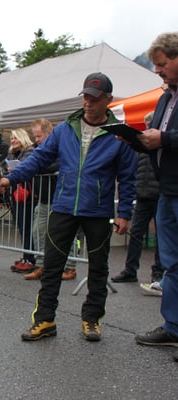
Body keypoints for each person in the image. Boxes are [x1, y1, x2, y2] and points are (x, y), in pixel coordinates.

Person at [0, 72, 137, 342]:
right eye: (85, 97)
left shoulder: (119, 134)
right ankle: (45, 320)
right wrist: (11, 178)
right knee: (51, 267)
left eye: (94, 98)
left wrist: (124, 213)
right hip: (63, 207)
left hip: (98, 211)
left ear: (107, 99)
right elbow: (38, 158)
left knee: (98, 268)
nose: (88, 102)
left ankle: (91, 320)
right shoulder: (64, 129)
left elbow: (128, 177)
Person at [134, 32, 178, 362]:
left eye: (162, 64)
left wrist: (163, 138)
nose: (157, 71)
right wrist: (135, 140)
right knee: (171, 263)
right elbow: (158, 136)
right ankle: (173, 327)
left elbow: (166, 137)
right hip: (167, 191)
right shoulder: (164, 98)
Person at [112, 111, 164, 287]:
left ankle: (157, 272)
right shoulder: (141, 148)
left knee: (160, 237)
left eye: (149, 124)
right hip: (142, 195)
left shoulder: (160, 145)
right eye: (146, 125)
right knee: (135, 234)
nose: (147, 128)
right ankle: (130, 270)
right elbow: (134, 171)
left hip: (158, 195)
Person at [24, 119, 78, 281]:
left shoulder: (61, 148)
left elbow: (55, 165)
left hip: (60, 200)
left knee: (66, 234)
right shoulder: (39, 151)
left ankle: (70, 267)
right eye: (35, 136)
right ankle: (41, 265)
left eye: (39, 136)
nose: (37, 140)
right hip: (43, 199)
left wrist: (36, 168)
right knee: (38, 232)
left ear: (49, 133)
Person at [6, 129, 36, 273]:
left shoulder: (30, 152)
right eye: (11, 138)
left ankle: (30, 258)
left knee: (28, 227)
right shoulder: (12, 154)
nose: (13, 140)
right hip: (16, 194)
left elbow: (26, 168)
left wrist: (14, 170)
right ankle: (27, 255)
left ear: (23, 138)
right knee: (22, 227)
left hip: (28, 195)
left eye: (15, 138)